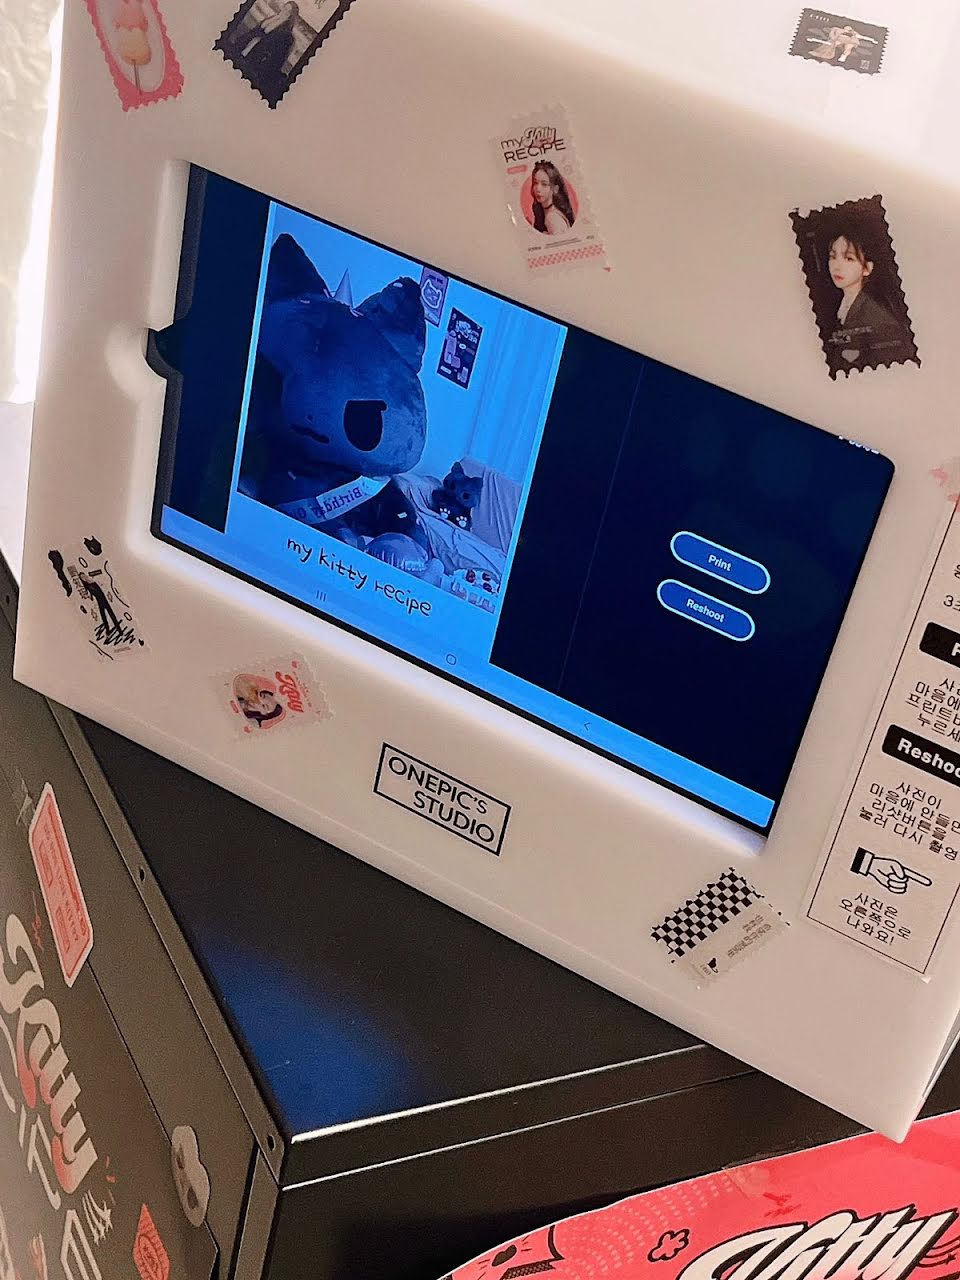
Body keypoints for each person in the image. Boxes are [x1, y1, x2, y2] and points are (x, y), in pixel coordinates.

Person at [824, 225, 911, 373]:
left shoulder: (878, 319)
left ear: (867, 268)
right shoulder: (840, 306)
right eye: (833, 257)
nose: (836, 266)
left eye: (849, 258)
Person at [232, 1, 299, 91]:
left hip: (258, 60)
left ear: (291, 16)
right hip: (248, 47)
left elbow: (278, 58)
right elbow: (255, 31)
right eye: (285, 8)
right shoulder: (272, 18)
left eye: (288, 11)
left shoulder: (287, 35)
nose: (285, 12)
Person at [528, 161, 576, 235]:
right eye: (535, 183)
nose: (538, 189)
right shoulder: (545, 212)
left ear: (555, 189)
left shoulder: (552, 217)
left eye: (544, 184)